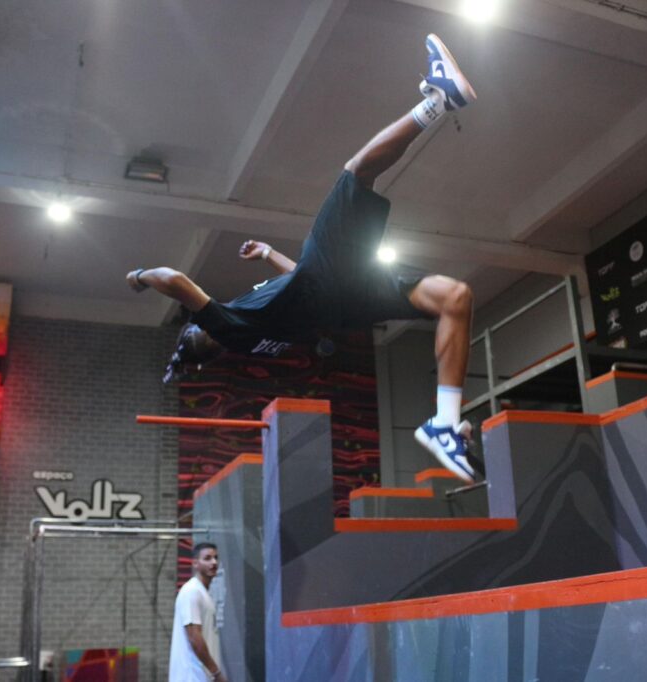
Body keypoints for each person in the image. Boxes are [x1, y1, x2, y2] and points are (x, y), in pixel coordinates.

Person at [128, 34, 478, 483]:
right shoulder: (226, 327)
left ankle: (445, 423)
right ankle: (438, 100)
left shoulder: (257, 331)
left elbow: (302, 287)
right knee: (357, 172)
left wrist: (270, 253)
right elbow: (174, 278)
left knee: (455, 298)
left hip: (343, 301)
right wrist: (139, 275)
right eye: (197, 328)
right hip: (333, 286)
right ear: (204, 334)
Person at [169, 543, 225, 682]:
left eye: (216, 558)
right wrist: (216, 673)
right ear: (195, 563)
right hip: (191, 677)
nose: (214, 562)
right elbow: (194, 636)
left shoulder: (202, 593)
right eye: (207, 558)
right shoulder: (192, 592)